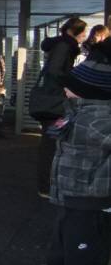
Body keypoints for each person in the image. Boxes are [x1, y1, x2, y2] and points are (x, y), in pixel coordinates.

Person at [38, 51, 111, 265]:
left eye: (71, 86)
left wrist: (102, 189)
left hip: (91, 208)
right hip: (69, 202)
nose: (65, 90)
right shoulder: (79, 113)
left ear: (89, 91)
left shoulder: (102, 120)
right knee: (59, 263)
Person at [37, 17, 88, 197]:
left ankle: (47, 185)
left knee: (50, 142)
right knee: (51, 144)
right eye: (82, 33)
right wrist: (71, 82)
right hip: (55, 101)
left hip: (52, 99)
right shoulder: (64, 46)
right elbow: (55, 71)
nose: (83, 37)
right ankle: (46, 186)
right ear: (73, 32)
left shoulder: (61, 45)